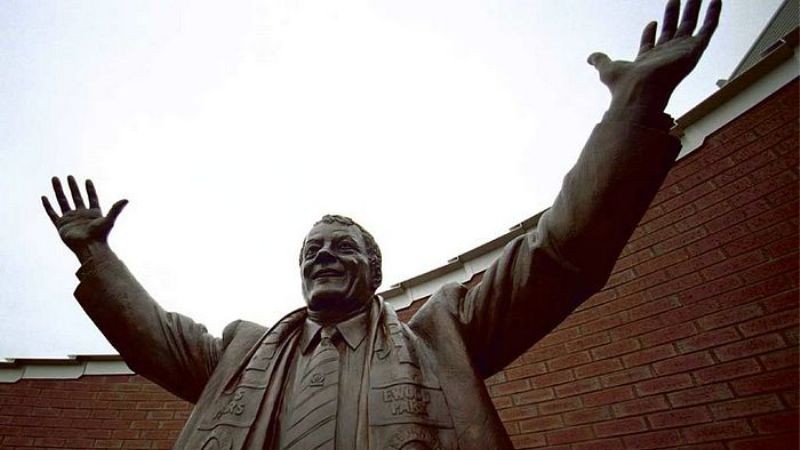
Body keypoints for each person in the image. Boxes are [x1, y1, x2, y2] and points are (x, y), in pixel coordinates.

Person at [42, 1, 721, 448]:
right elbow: (151, 336)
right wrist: (97, 257)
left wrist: (633, 110)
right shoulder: (241, 353)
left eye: (342, 248)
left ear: (374, 269)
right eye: (312, 250)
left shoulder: (443, 333)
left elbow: (559, 252)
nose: (323, 257)